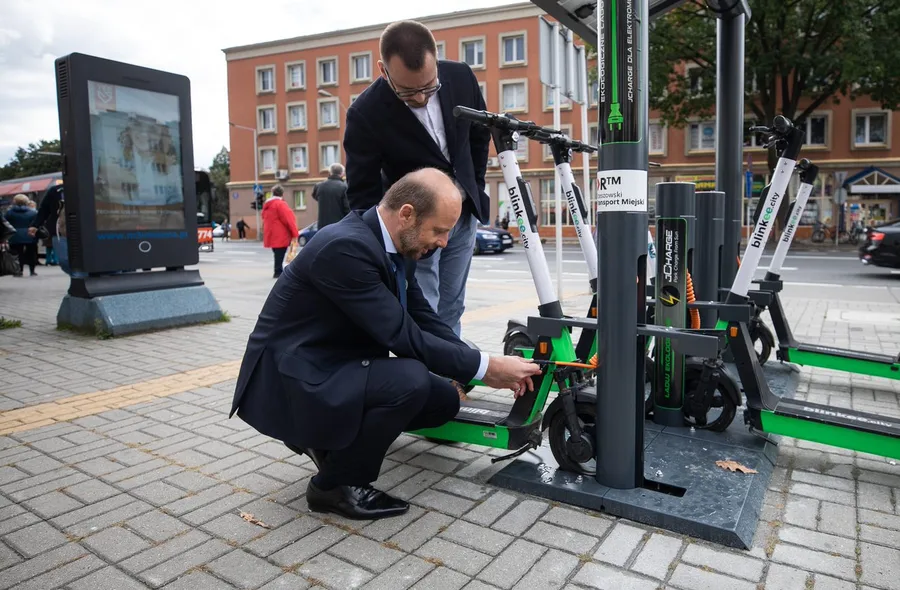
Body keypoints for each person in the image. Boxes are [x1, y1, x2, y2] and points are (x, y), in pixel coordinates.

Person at [229, 168, 541, 520]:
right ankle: (334, 485)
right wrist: (487, 369)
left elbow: (424, 318)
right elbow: (402, 337)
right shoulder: (345, 247)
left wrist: (474, 363)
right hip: (291, 380)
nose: (443, 242)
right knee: (409, 380)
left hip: (331, 365)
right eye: (439, 230)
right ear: (407, 214)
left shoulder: (395, 245)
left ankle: (328, 440)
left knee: (442, 400)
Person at [343, 20, 491, 337]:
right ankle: (431, 381)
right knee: (425, 309)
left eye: (429, 87)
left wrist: (473, 186)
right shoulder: (365, 113)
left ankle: (450, 373)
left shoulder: (462, 76)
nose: (422, 98)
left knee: (453, 304)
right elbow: (362, 192)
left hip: (463, 217)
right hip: (414, 229)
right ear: (384, 71)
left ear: (435, 60)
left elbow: (480, 136)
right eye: (409, 92)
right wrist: (381, 247)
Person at [261, 185, 298, 278]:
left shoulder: (267, 205)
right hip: (281, 234)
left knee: (277, 253)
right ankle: (278, 271)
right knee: (280, 253)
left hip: (271, 233)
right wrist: (294, 233)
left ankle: (278, 270)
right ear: (282, 193)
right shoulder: (280, 204)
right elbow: (288, 219)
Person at [4, 194, 38, 277]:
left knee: (17, 254)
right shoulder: (33, 212)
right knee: (31, 253)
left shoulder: (9, 213)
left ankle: (19, 271)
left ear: (15, 201)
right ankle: (32, 270)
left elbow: (5, 224)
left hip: (14, 236)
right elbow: (36, 224)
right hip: (30, 235)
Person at [312, 163, 350, 229]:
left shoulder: (319, 186)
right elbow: (347, 209)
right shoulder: (344, 187)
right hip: (339, 226)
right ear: (342, 174)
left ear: (330, 172)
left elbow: (315, 196)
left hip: (322, 227)